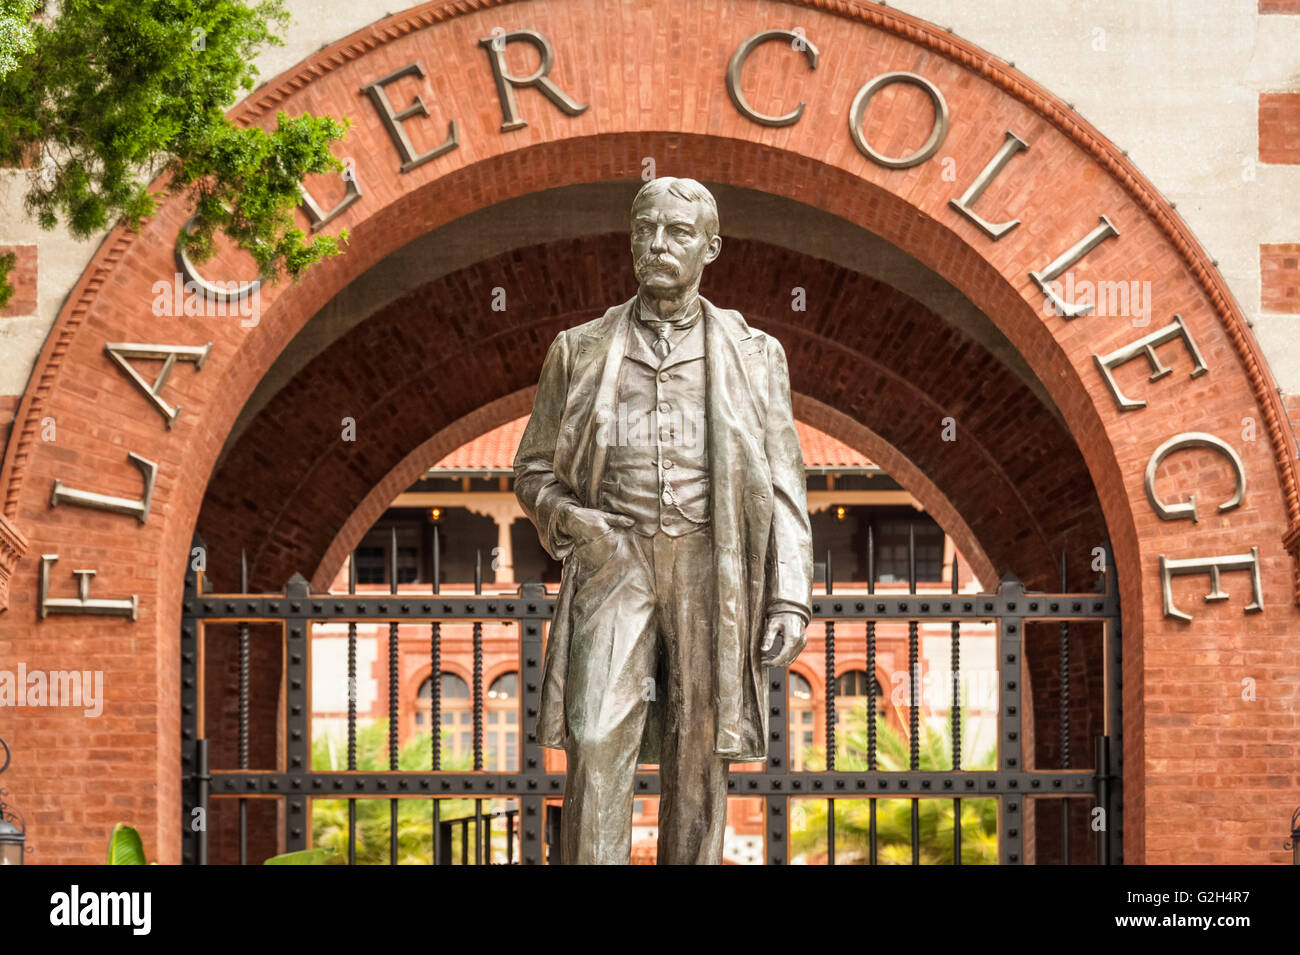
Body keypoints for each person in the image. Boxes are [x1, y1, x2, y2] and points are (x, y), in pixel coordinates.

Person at [513, 176, 813, 864]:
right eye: (645, 230)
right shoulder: (578, 349)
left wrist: (790, 593)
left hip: (713, 560)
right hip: (615, 559)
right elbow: (532, 470)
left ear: (711, 246)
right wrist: (574, 521)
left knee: (701, 751)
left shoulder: (756, 353)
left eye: (677, 233)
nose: (657, 244)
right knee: (593, 736)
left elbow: (784, 478)